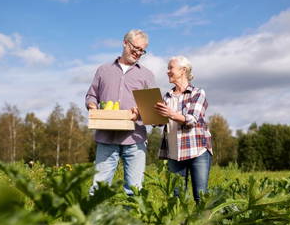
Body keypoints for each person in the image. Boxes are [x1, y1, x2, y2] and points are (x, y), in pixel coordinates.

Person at [85, 29, 156, 196]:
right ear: (125, 43)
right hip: (106, 137)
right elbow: (91, 95)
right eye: (136, 48)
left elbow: (153, 110)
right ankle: (93, 221)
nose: (138, 53)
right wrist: (92, 105)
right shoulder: (103, 70)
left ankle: (130, 221)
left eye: (142, 50)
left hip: (135, 140)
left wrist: (139, 112)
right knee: (98, 188)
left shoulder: (146, 75)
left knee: (134, 190)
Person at [154, 56, 212, 203]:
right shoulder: (166, 97)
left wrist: (170, 113)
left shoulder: (197, 93)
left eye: (170, 68)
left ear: (183, 70)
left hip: (197, 150)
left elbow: (192, 119)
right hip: (174, 153)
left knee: (200, 195)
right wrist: (146, 113)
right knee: (177, 197)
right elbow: (158, 123)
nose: (167, 71)